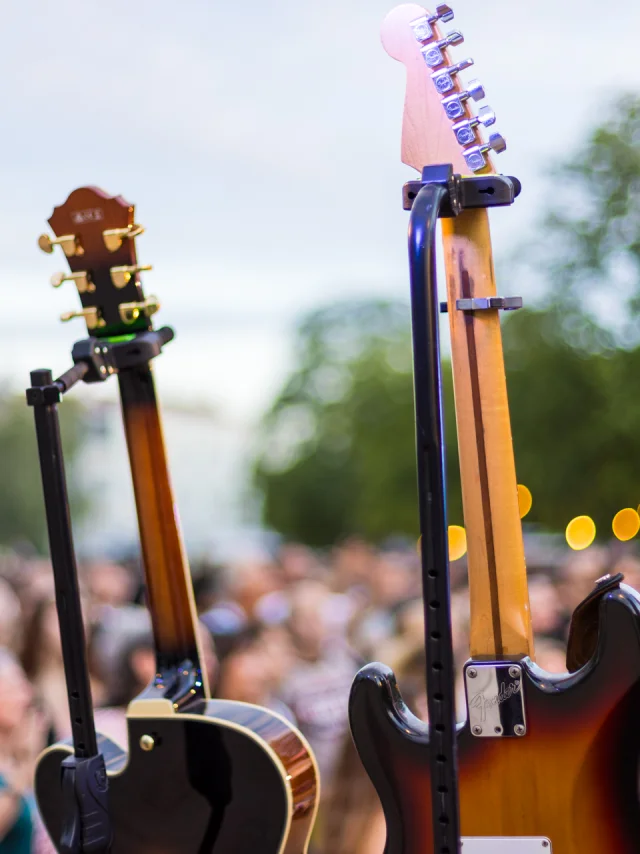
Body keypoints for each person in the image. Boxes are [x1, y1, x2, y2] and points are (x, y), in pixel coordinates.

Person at [0, 650, 47, 853]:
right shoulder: (19, 764)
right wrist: (27, 760)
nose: (28, 695)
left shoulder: (14, 754)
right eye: (15, 688)